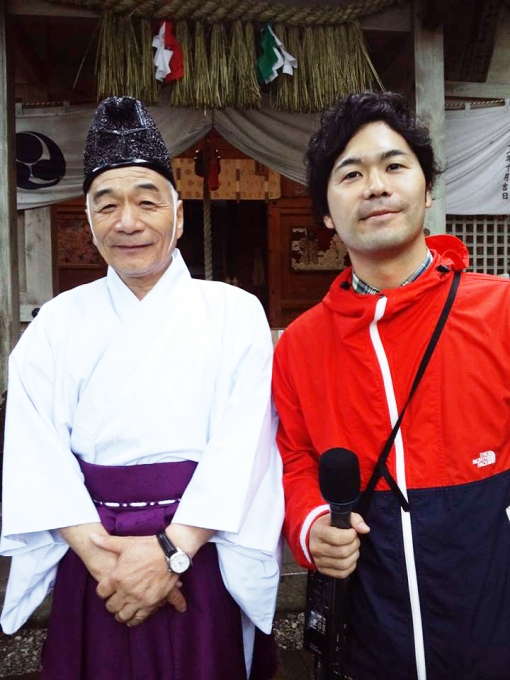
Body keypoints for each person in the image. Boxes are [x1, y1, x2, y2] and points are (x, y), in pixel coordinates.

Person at [0, 96, 284, 680]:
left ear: (178, 216)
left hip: (196, 553)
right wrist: (103, 560)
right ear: (89, 220)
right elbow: (35, 452)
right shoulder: (56, 323)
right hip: (97, 563)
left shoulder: (235, 313)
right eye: (107, 206)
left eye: (147, 202)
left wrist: (170, 553)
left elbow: (246, 448)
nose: (127, 222)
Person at [272, 91, 510, 680]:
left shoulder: (500, 311)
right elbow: (296, 458)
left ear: (428, 192)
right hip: (369, 638)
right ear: (326, 212)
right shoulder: (300, 345)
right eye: (350, 174)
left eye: (394, 166)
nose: (375, 186)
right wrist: (310, 528)